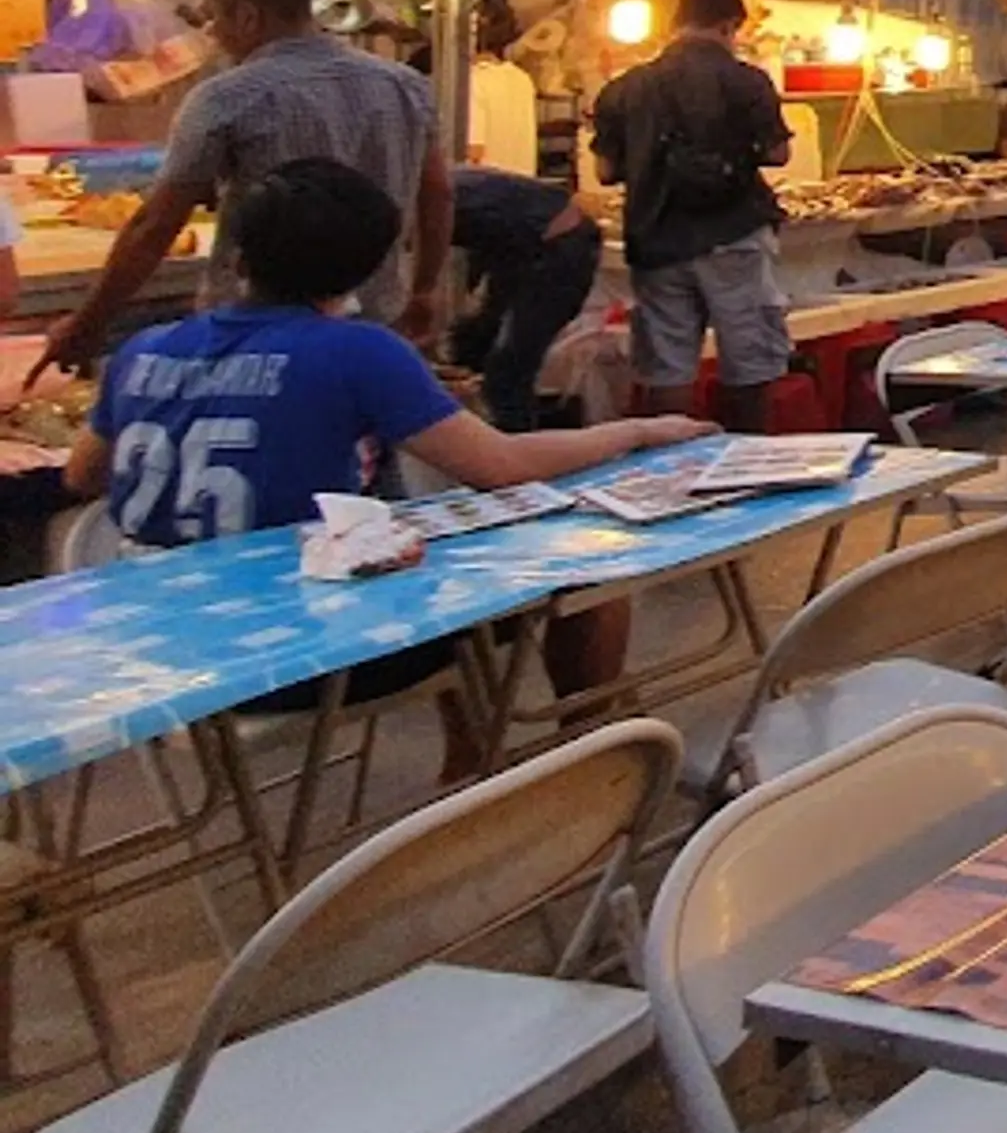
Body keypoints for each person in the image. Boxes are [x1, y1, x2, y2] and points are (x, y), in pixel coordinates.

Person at [70, 157, 707, 760]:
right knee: (585, 566)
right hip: (292, 657)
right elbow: (499, 465)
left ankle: (476, 760)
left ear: (237, 255)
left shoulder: (143, 351)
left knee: (418, 553)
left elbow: (82, 474)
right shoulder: (357, 352)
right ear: (363, 272)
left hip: (149, 652)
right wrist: (633, 432)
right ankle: (590, 749)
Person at [40, 0, 447, 383]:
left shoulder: (227, 97)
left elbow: (154, 226)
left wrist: (89, 323)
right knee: (358, 444)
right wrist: (424, 289)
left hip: (256, 340)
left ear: (248, 16)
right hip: (374, 323)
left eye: (215, 16)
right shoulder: (405, 85)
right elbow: (438, 195)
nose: (211, 32)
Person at [590, 0, 802, 423]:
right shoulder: (747, 80)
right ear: (728, 26)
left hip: (656, 239)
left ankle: (673, 463)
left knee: (667, 364)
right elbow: (778, 153)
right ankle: (745, 457)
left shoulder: (623, 89)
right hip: (734, 233)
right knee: (749, 357)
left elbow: (605, 171)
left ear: (674, 26)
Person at [448, 165, 604, 432]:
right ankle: (491, 428)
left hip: (557, 247)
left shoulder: (440, 195)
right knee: (474, 342)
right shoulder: (452, 186)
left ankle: (512, 444)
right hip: (532, 245)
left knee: (508, 367)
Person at [463, 0, 542, 176]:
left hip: (485, 192)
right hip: (522, 190)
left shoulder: (474, 81)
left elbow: (473, 151)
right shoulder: (522, 79)